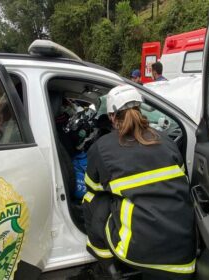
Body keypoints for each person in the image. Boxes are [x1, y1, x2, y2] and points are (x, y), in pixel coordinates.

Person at [82, 84, 196, 280]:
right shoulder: (167, 141)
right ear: (140, 110)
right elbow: (181, 180)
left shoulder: (102, 147)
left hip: (138, 252)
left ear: (111, 116)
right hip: (184, 256)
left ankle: (107, 266)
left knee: (93, 200)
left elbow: (93, 187)